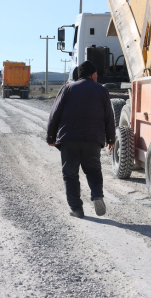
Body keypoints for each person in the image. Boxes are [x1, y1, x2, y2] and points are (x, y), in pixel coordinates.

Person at [46, 60, 115, 219]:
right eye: (96, 75)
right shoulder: (102, 91)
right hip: (92, 139)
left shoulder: (67, 88)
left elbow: (54, 114)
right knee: (93, 170)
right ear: (92, 75)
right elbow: (109, 117)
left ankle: (77, 208)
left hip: (69, 139)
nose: (97, 78)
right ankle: (97, 195)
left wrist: (51, 136)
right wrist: (110, 138)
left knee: (70, 174)